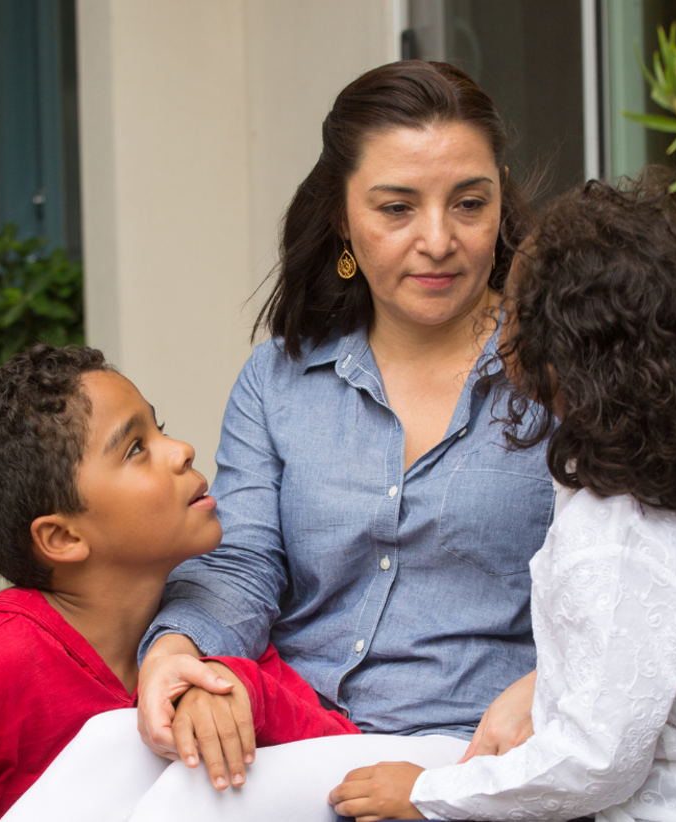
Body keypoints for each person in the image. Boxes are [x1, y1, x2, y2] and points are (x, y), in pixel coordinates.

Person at [136, 59, 556, 785]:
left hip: (478, 756)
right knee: (107, 759)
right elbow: (243, 562)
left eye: (469, 204)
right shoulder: (278, 380)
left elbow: (636, 579)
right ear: (341, 215)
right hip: (296, 730)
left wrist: (553, 685)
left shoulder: (563, 374)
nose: (438, 240)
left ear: (500, 199)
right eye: (396, 209)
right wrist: (178, 652)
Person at [325, 178, 676, 820]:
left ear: (561, 352)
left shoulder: (612, 536)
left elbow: (592, 760)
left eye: (514, 308)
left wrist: (427, 794)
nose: (498, 319)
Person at [0, 345, 355, 821]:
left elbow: (350, 767)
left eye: (159, 427)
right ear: (62, 537)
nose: (182, 449)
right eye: (136, 448)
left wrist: (244, 692)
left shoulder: (211, 627)